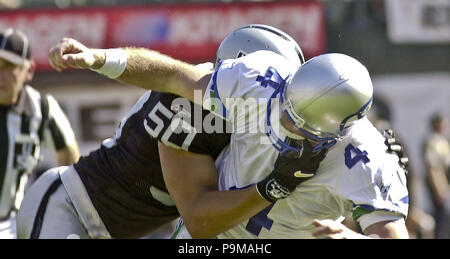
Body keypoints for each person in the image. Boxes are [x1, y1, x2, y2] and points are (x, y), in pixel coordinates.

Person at [41, 31, 409, 239]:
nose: (285, 125)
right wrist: (99, 59)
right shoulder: (258, 84)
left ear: (339, 131)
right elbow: (172, 75)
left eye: (302, 128)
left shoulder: (364, 156)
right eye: (286, 110)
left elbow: (391, 235)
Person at [16, 24, 313, 239]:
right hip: (71, 207)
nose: (276, 100)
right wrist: (98, 59)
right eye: (270, 84)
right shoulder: (195, 98)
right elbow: (166, 71)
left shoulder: (264, 121)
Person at [0, 28, 80, 239]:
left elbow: (69, 156)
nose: (0, 74)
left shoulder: (42, 109)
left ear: (29, 70)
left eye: (9, 66)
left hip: (11, 225)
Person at [423, 112, 450, 239]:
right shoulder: (434, 142)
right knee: (441, 218)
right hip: (439, 185)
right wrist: (439, 188)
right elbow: (433, 168)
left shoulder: (441, 140)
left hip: (444, 184)